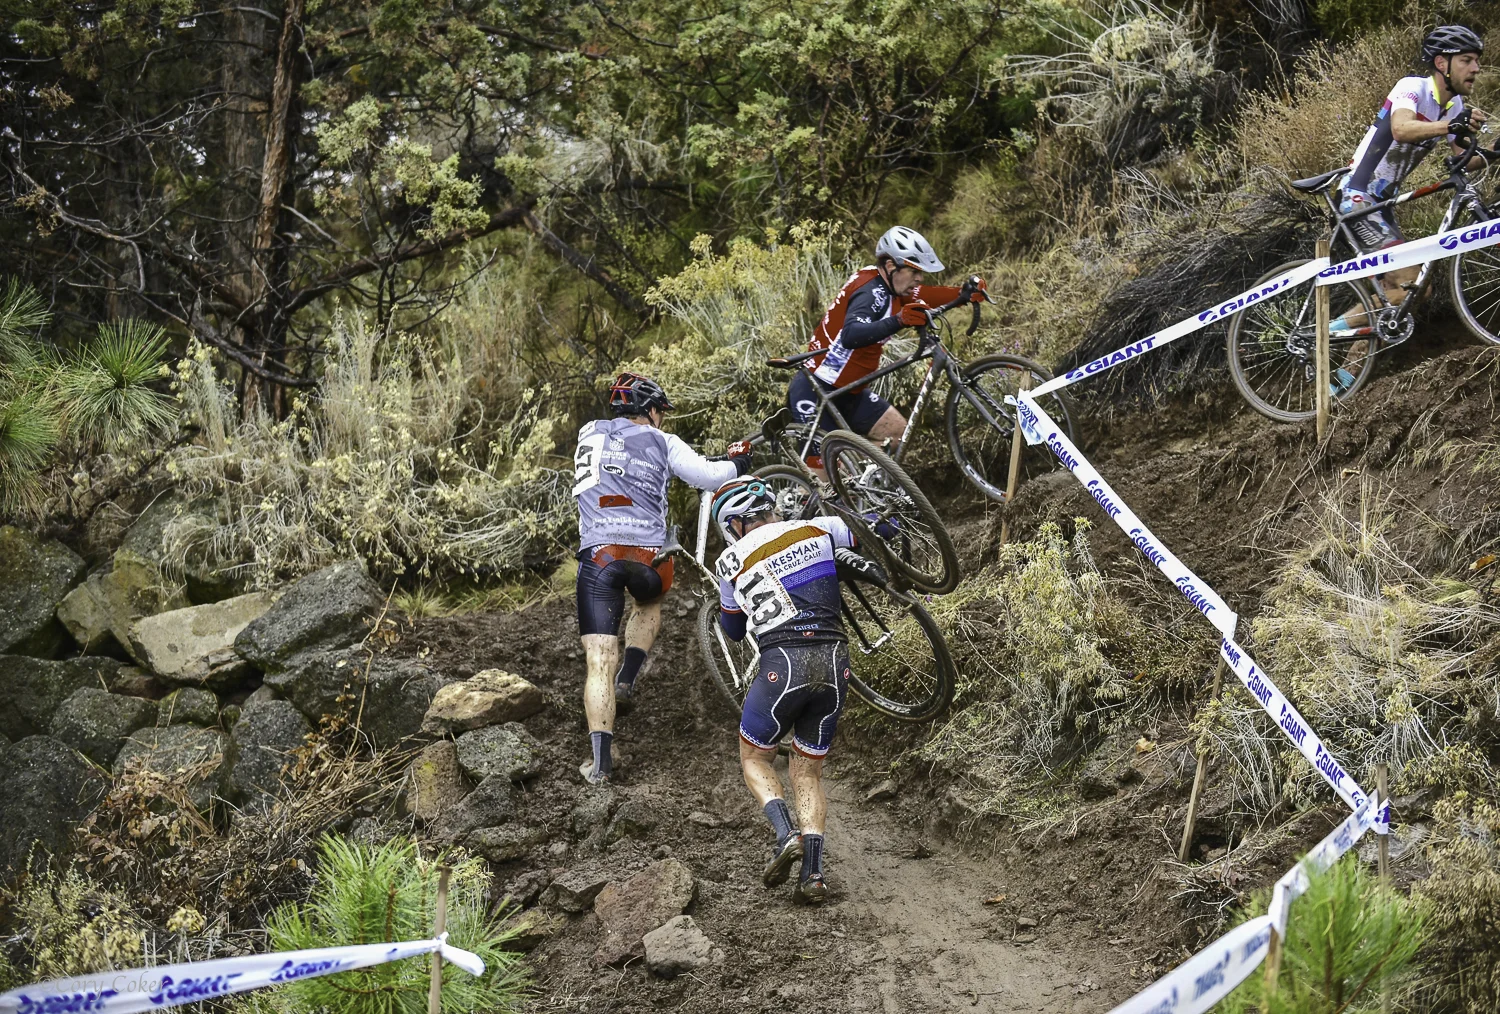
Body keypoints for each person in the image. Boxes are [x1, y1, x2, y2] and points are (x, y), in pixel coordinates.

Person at [709, 476, 889, 903]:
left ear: (734, 525)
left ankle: (785, 833)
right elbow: (878, 530)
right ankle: (813, 876)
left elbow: (733, 630)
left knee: (755, 757)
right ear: (770, 507)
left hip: (784, 664)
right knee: (807, 771)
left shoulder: (729, 559)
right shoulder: (820, 527)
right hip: (836, 662)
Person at [574, 372, 752, 785]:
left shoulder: (588, 433)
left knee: (598, 661)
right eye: (660, 411)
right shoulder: (663, 441)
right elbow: (709, 476)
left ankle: (600, 765)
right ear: (650, 410)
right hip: (649, 556)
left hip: (599, 553)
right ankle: (628, 678)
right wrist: (739, 462)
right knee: (649, 602)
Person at [1329, 24, 1487, 373]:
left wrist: (1494, 150)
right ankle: (1325, 334)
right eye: (1467, 60)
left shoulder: (1454, 104)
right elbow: (1401, 128)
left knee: (1406, 294)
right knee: (1413, 285)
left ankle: (1346, 375)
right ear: (1442, 63)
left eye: (1476, 60)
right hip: (1357, 198)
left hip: (1381, 206)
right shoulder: (1412, 88)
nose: (1476, 68)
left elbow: (1462, 159)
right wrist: (1452, 125)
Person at [788, 226, 986, 467]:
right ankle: (821, 480)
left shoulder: (891, 287)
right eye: (914, 271)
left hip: (849, 392)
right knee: (827, 474)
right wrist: (899, 320)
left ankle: (858, 476)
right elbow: (851, 334)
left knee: (896, 435)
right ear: (891, 266)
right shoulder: (870, 292)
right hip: (816, 390)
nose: (919, 277)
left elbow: (923, 294)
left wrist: (962, 294)